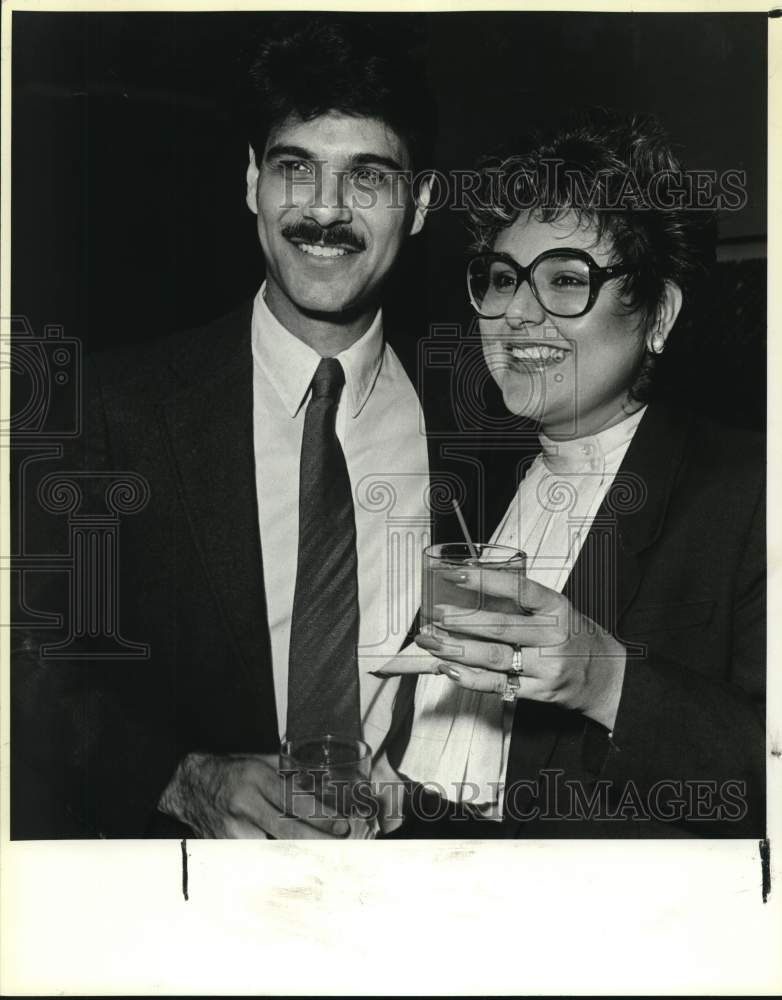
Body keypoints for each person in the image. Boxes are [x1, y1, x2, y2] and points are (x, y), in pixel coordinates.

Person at [11, 15, 439, 839]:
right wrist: (180, 778)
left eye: (369, 177)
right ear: (251, 183)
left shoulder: (478, 418)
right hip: (182, 912)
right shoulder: (115, 406)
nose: (325, 211)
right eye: (295, 169)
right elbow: (28, 667)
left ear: (419, 204)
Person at [379, 110, 765, 838]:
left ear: (658, 315)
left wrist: (605, 679)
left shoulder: (750, 491)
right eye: (501, 279)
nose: (517, 315)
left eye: (565, 279)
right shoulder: (470, 477)